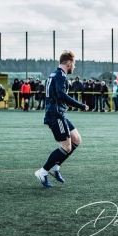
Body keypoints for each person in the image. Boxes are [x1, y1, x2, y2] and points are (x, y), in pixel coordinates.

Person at [35, 50, 89, 188]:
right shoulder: (60, 76)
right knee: (66, 147)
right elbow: (61, 95)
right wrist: (81, 105)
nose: (74, 67)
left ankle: (55, 166)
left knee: (76, 139)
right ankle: (43, 171)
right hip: (55, 115)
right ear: (69, 63)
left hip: (59, 113)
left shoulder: (55, 74)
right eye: (74, 64)